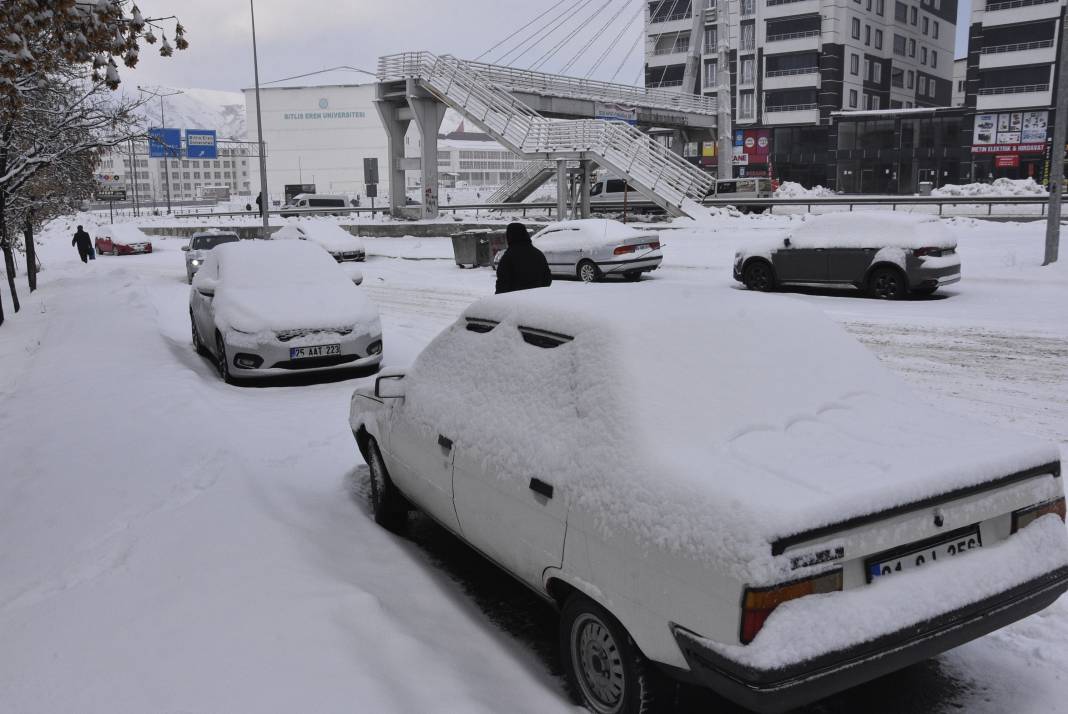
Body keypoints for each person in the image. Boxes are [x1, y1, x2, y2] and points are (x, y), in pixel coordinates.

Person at [495, 222, 551, 294]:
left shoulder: (508, 257)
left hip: (516, 301)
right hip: (537, 299)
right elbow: (547, 279)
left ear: (509, 236)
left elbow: (502, 284)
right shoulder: (538, 254)